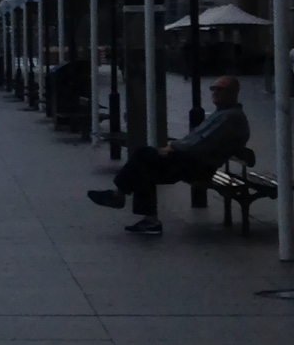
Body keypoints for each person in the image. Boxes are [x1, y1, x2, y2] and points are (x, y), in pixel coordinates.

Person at [91, 78, 253, 234]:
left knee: (144, 158)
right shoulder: (223, 113)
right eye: (213, 88)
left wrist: (173, 147)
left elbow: (203, 141)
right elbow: (197, 139)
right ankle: (139, 212)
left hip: (199, 165)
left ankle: (123, 199)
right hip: (194, 160)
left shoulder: (230, 117)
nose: (215, 92)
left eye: (220, 89)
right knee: (143, 163)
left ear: (233, 92)